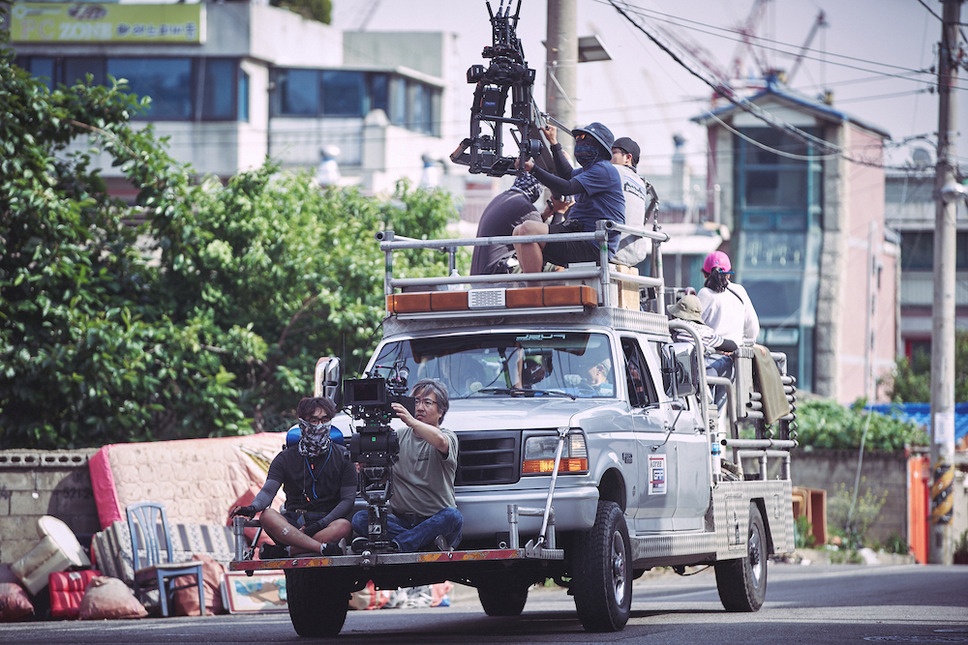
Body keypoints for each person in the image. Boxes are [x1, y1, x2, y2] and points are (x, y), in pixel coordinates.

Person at [232, 397, 356, 557]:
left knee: (344, 526)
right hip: (293, 522)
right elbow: (268, 491)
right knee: (267, 516)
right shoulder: (284, 458)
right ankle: (320, 548)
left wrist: (320, 524)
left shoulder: (343, 457)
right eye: (313, 420)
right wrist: (253, 507)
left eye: (324, 420)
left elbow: (348, 500)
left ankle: (286, 551)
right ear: (303, 424)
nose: (319, 426)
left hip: (326, 521)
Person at [351, 379, 462, 552]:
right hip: (402, 520)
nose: (419, 408)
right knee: (360, 518)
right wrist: (366, 466)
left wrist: (411, 421)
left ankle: (399, 544)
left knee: (453, 517)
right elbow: (384, 475)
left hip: (435, 519)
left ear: (441, 411)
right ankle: (423, 543)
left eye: (427, 402)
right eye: (416, 401)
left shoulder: (447, 436)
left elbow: (440, 441)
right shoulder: (396, 437)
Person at [512, 123, 625, 273]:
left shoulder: (604, 169)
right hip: (577, 235)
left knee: (528, 229)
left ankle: (534, 290)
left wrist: (533, 169)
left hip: (594, 244)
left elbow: (567, 187)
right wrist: (553, 142)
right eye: (577, 138)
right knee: (518, 231)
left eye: (584, 138)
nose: (579, 142)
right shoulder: (590, 170)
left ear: (599, 146)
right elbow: (566, 175)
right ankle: (534, 287)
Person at [470, 172, 565, 275]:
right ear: (536, 188)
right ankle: (536, 291)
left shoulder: (504, 198)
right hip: (499, 272)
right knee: (557, 266)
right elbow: (550, 245)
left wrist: (543, 216)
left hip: (482, 271)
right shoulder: (525, 207)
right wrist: (560, 212)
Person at [667, 294, 738, 410]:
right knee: (725, 362)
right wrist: (719, 350)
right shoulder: (705, 332)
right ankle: (712, 407)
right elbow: (732, 345)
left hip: (678, 374)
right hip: (699, 374)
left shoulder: (674, 326)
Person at [697, 251, 760, 347]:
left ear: (705, 275)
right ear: (728, 274)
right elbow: (753, 328)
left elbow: (693, 329)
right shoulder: (740, 291)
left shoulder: (704, 294)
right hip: (738, 357)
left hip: (711, 357)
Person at [609, 136, 650, 267]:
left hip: (611, 249)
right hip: (635, 252)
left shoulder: (614, 171)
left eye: (613, 153)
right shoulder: (641, 183)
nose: (608, 157)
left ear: (628, 158)